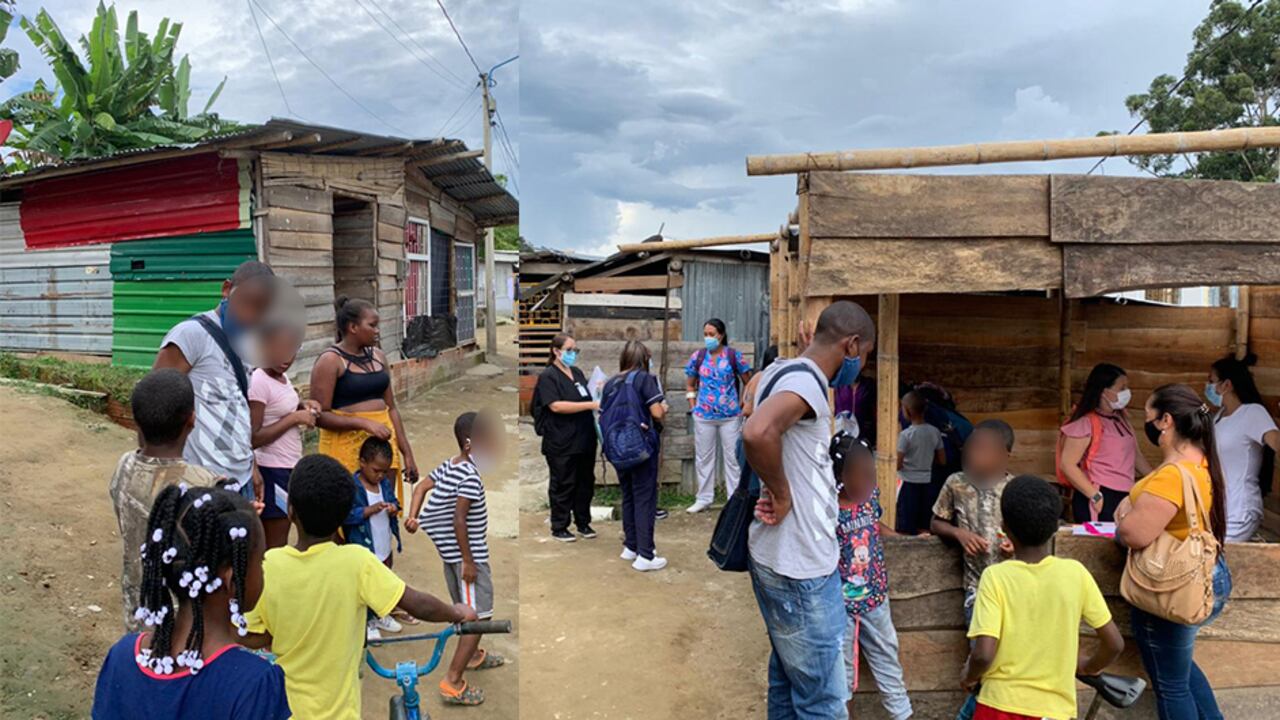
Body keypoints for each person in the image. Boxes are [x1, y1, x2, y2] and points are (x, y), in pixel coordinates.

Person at [243, 453, 475, 719]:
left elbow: (253, 635)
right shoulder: (356, 561)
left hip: (285, 710)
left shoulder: (270, 564)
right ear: (343, 518)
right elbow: (417, 604)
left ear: (291, 510)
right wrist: (456, 612)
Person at [743, 299, 875, 720]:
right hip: (801, 565)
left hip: (775, 555)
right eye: (865, 355)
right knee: (823, 701)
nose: (861, 364)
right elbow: (758, 431)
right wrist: (782, 495)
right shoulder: (806, 382)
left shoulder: (785, 371)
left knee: (788, 679)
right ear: (851, 346)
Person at [92, 486, 289, 720]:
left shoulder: (123, 657)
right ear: (232, 579)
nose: (263, 571)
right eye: (261, 562)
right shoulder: (255, 683)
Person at [961, 476, 1124, 720]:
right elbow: (1115, 644)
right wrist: (1088, 665)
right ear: (1056, 526)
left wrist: (969, 675)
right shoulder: (1075, 574)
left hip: (999, 706)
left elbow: (984, 654)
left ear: (1004, 527)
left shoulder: (996, 577)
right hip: (1054, 711)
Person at [1114, 384, 1233, 720]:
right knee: (1179, 668)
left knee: (1172, 685)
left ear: (1166, 421)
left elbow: (1136, 534)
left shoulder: (1171, 476)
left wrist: (1124, 519)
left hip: (1172, 583)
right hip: (1209, 573)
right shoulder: (1202, 462)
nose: (1147, 425)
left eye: (1149, 417)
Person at [109, 369, 223, 631]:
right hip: (187, 624)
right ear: (192, 420)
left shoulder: (124, 466)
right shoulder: (205, 485)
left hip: (137, 612)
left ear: (136, 421)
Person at [153, 260, 276, 502]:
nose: (252, 316)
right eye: (248, 303)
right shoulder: (191, 336)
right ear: (227, 289)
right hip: (200, 482)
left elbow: (237, 407)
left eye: (262, 309)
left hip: (241, 481)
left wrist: (250, 464)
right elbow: (154, 403)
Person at [405, 412, 505, 706]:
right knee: (479, 615)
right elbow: (459, 520)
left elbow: (422, 486)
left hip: (452, 556)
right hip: (467, 558)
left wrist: (414, 516)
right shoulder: (471, 477)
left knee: (466, 608)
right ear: (471, 443)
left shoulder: (453, 464)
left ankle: (472, 655)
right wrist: (469, 562)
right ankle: (452, 681)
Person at [929, 419, 1015, 720]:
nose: (973, 454)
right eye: (972, 447)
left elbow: (1029, 536)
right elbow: (936, 522)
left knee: (1006, 661)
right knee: (982, 656)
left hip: (1012, 592)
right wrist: (959, 534)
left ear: (1005, 456)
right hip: (977, 589)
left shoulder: (1014, 489)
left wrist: (1012, 548)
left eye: (984, 448)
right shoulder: (956, 483)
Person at [830, 432, 912, 720]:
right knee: (843, 675)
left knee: (889, 662)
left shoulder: (868, 499)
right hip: (842, 610)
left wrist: (905, 540)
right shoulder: (829, 512)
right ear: (840, 477)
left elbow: (876, 526)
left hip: (876, 600)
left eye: (872, 476)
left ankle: (903, 715)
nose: (870, 483)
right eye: (862, 477)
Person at [311, 297, 417, 508]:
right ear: (352, 327)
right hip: (345, 448)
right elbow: (319, 416)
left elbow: (392, 408)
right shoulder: (330, 361)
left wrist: (407, 453)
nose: (378, 330)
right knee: (348, 511)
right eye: (372, 325)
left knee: (383, 506)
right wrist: (363, 424)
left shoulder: (378, 357)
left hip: (382, 448)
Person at [599, 340, 668, 571]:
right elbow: (656, 412)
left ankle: (631, 546)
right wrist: (663, 409)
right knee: (645, 499)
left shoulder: (610, 383)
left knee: (628, 495)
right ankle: (646, 555)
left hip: (617, 447)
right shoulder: (644, 379)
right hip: (640, 448)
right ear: (644, 359)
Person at [249, 320, 318, 549]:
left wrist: (304, 406)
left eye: (292, 349)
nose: (286, 357)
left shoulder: (282, 377)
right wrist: (294, 419)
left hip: (288, 465)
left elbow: (285, 406)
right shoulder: (259, 380)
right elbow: (253, 437)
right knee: (275, 542)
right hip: (271, 470)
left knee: (284, 529)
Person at [1059, 363, 1152, 522]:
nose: (1126, 392)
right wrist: (1094, 495)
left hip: (1124, 494)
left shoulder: (1122, 420)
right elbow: (1067, 464)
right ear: (1104, 391)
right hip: (1099, 494)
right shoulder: (1085, 423)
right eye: (1121, 388)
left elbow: (1135, 456)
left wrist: (1156, 477)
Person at [530, 333, 599, 542]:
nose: (572, 354)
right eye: (569, 350)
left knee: (585, 482)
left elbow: (586, 394)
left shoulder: (576, 372)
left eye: (574, 350)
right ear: (556, 351)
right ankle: (559, 525)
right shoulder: (548, 376)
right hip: (561, 440)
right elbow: (555, 405)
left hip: (584, 437)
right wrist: (590, 405)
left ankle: (583, 522)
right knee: (563, 483)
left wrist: (597, 390)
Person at [1206, 353, 1280, 542]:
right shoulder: (1218, 418)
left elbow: (1276, 442)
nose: (1208, 387)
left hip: (1240, 511)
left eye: (1211, 381)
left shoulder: (1252, 413)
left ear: (1227, 385)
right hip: (1218, 511)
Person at [685, 318, 753, 514]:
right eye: (705, 334)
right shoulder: (698, 357)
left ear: (721, 335)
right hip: (703, 416)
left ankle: (734, 498)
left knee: (732, 458)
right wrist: (693, 406)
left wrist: (743, 404)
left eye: (711, 334)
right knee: (703, 457)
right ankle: (704, 498)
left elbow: (749, 382)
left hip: (730, 417)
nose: (708, 338)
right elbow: (690, 384)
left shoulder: (734, 356)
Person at [342, 437, 404, 639]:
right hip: (363, 547)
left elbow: (394, 500)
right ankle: (366, 621)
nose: (380, 475)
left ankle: (379, 614)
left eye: (384, 471)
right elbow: (345, 515)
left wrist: (394, 508)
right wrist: (368, 510)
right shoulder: (352, 487)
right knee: (364, 585)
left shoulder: (384, 484)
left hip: (383, 544)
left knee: (382, 579)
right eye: (376, 470)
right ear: (362, 463)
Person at [895, 391, 945, 534]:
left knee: (906, 526)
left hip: (908, 484)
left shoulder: (906, 435)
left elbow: (898, 464)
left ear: (907, 411)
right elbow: (942, 460)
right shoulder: (935, 432)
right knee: (924, 525)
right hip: (928, 483)